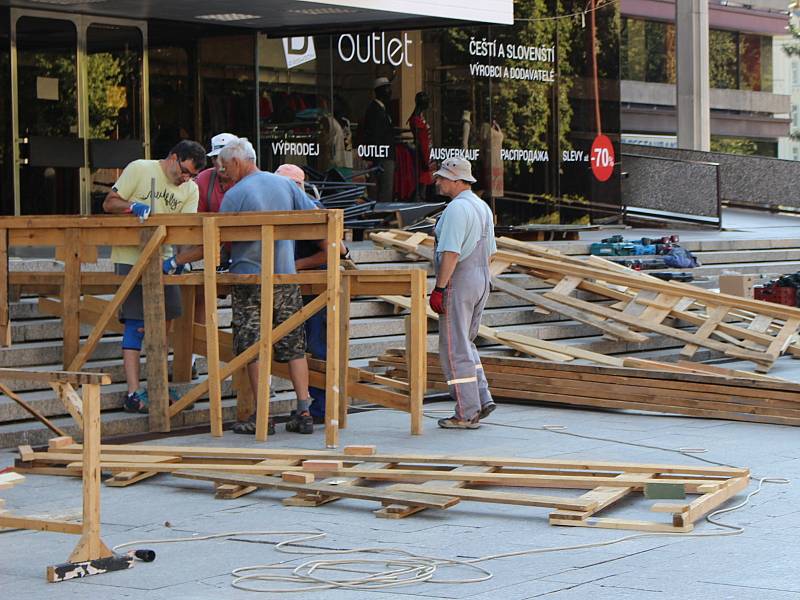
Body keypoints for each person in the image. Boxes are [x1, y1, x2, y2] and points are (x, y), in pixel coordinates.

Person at [218, 139, 320, 435]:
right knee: (294, 346)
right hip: (285, 277)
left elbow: (220, 239)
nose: (225, 173)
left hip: (249, 280)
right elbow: (316, 217)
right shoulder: (285, 186)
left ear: (237, 162)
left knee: (252, 345)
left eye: (226, 167)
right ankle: (304, 409)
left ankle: (262, 414)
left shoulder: (235, 194)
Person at [102, 140, 207, 413]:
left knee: (166, 320)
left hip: (164, 260)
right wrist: (132, 207)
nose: (186, 178)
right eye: (184, 171)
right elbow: (109, 202)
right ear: (173, 157)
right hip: (131, 258)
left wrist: (180, 262)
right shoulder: (140, 169)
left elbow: (185, 230)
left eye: (192, 175)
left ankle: (157, 383)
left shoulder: (190, 189)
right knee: (136, 322)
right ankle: (133, 391)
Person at [276, 163, 350, 424]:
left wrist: (297, 265)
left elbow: (337, 250)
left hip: (315, 286)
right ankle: (312, 405)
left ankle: (320, 407)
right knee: (302, 346)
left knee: (317, 345)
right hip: (295, 285)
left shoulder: (309, 208)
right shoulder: (283, 207)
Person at [428, 157, 497, 429]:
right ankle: (481, 398)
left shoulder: (456, 209)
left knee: (454, 349)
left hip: (460, 280)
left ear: (457, 180)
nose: (438, 181)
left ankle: (466, 413)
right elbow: (492, 252)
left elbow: (451, 252)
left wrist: (440, 288)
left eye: (443, 178)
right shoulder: (481, 207)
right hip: (481, 278)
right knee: (466, 343)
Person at [362, 77, 395, 201]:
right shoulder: (374, 110)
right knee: (383, 190)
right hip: (381, 156)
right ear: (379, 91)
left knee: (385, 189)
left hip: (384, 155)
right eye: (387, 88)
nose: (390, 91)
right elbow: (374, 134)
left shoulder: (383, 109)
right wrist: (372, 157)